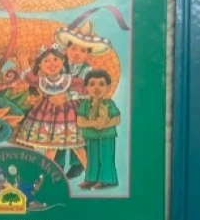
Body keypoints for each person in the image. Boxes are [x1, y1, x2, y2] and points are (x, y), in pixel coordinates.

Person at [13, 45, 86, 178]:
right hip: (48, 115)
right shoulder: (42, 81)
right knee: (51, 146)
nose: (51, 64)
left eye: (55, 60)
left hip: (69, 114)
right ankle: (46, 174)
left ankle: (92, 173)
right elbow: (30, 79)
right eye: (46, 61)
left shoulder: (68, 79)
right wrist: (23, 60)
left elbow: (84, 86)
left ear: (62, 61)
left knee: (77, 145)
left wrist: (70, 96)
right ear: (40, 65)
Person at [75, 69, 121, 189]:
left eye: (101, 84)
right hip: (91, 136)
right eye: (92, 84)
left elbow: (117, 119)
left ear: (108, 87)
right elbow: (80, 121)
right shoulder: (85, 104)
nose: (97, 88)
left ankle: (106, 179)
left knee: (106, 157)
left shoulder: (109, 103)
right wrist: (93, 123)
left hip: (107, 136)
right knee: (92, 158)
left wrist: (105, 124)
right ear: (86, 87)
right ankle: (91, 179)